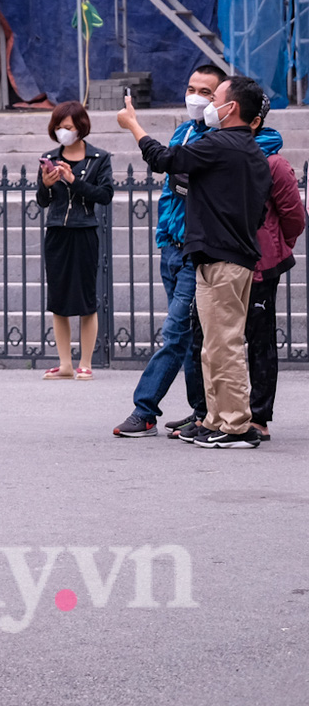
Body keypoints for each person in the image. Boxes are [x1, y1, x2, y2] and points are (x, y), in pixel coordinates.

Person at [116, 77, 271, 449]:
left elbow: (165, 159)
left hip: (222, 258)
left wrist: (133, 125)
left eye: (213, 96)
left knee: (225, 344)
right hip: (222, 256)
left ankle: (235, 425)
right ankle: (216, 418)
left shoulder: (220, 144)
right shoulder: (248, 150)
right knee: (213, 345)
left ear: (231, 107)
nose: (206, 104)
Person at [114, 63, 226, 438]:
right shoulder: (183, 131)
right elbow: (172, 187)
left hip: (198, 253)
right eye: (192, 88)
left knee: (175, 332)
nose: (196, 97)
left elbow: (175, 168)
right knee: (191, 334)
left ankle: (145, 410)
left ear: (222, 100)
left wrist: (134, 125)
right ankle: (201, 411)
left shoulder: (224, 140)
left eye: (206, 92)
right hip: (173, 248)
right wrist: (165, 236)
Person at [34, 101, 114, 380]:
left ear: (80, 127)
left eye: (67, 127)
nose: (62, 131)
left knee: (85, 298)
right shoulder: (49, 156)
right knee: (58, 299)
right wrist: (45, 184)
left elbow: (104, 195)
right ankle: (65, 363)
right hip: (57, 231)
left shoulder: (98, 158)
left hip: (84, 230)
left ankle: (86, 363)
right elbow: (43, 201)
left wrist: (73, 181)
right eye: (58, 127)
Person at [246, 106, 299, 440]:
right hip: (220, 260)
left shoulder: (274, 164)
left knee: (260, 340)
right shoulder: (216, 152)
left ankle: (259, 415)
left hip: (262, 265)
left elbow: (294, 216)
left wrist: (275, 244)